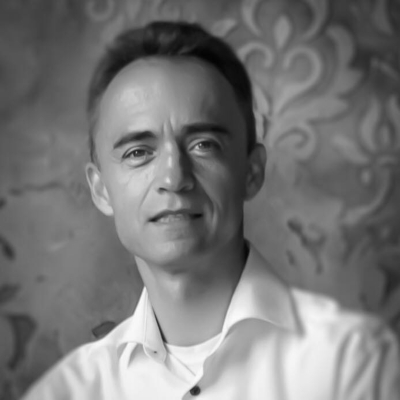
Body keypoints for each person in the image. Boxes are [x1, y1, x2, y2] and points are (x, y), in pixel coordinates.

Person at [22, 20, 399, 400]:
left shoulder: (351, 362)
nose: (173, 178)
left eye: (203, 144)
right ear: (101, 189)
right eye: (138, 152)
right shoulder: (66, 392)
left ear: (251, 172)